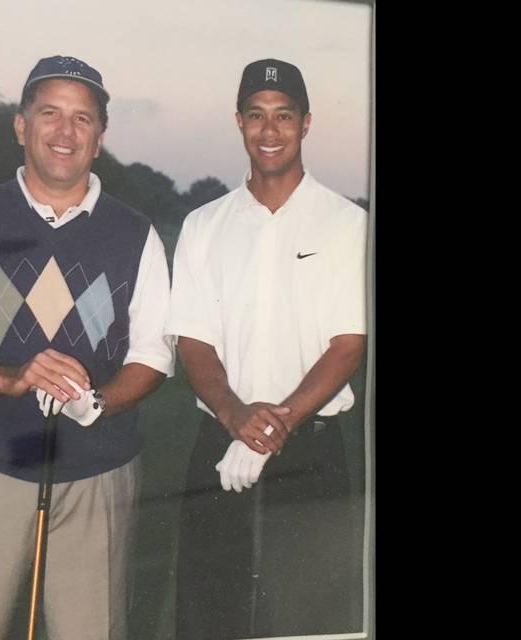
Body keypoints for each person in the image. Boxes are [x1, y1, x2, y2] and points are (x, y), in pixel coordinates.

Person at [0, 55, 174, 640]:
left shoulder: (136, 233)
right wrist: (7, 378)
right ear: (21, 126)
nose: (65, 132)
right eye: (49, 113)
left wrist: (97, 401)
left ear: (99, 138)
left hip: (98, 472)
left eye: (82, 119)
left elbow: (153, 355)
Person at [167, 58, 368, 639]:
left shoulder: (347, 223)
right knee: (210, 619)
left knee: (310, 622)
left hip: (312, 452)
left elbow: (347, 344)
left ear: (306, 123)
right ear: (238, 122)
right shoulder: (204, 224)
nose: (269, 130)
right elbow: (194, 342)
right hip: (219, 446)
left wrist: (273, 426)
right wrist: (235, 418)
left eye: (283, 116)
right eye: (256, 115)